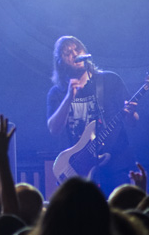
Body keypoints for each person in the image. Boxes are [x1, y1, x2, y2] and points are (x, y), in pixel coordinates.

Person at [46, 35, 137, 195]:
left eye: (77, 49)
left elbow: (133, 121)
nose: (75, 54)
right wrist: (69, 97)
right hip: (81, 167)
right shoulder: (57, 93)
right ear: (60, 62)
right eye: (68, 53)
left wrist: (130, 115)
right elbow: (54, 129)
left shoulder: (110, 80)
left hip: (116, 163)